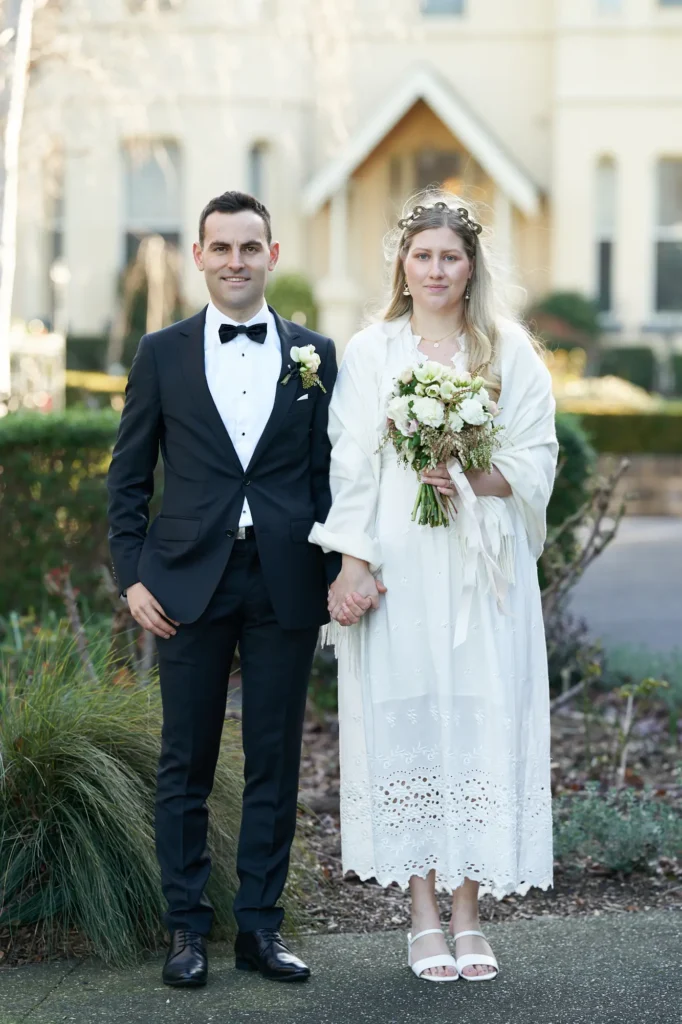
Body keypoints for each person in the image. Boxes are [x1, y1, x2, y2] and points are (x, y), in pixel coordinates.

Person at [310, 191, 558, 983]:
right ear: (403, 266)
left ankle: (470, 911)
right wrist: (352, 562)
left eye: (451, 256)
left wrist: (471, 473)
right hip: (402, 565)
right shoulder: (371, 352)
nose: (437, 269)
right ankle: (421, 913)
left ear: (472, 265)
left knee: (481, 719)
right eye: (423, 256)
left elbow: (538, 458)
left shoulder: (508, 351)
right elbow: (348, 465)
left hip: (484, 572)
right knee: (408, 718)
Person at [107, 191, 339, 988]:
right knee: (186, 761)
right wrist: (132, 574)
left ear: (272, 255)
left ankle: (261, 930)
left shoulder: (317, 355)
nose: (236, 261)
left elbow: (329, 479)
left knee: (276, 760)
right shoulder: (161, 353)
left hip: (285, 580)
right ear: (200, 256)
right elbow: (128, 478)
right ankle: (186, 929)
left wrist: (344, 569)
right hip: (184, 582)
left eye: (250, 247)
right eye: (221, 247)